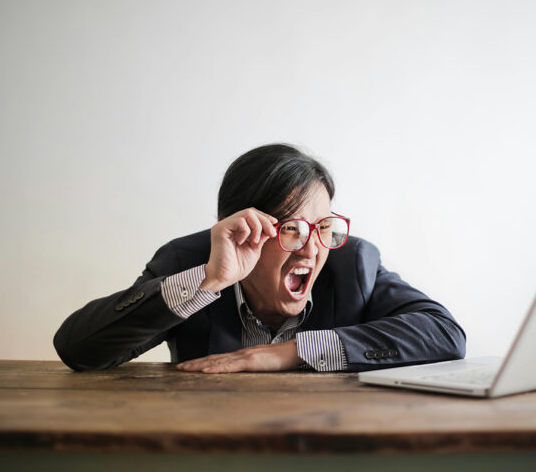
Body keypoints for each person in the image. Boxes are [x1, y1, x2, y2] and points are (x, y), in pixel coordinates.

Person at [54, 144, 466, 373]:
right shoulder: (188, 261)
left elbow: (445, 334)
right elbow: (78, 349)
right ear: (238, 227)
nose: (311, 248)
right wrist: (208, 282)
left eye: (323, 226)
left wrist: (289, 352)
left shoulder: (352, 262)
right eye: (290, 228)